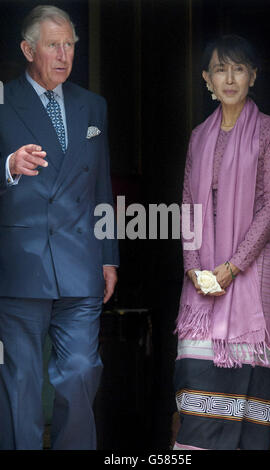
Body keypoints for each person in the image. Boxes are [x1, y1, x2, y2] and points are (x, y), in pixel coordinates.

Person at [0, 5, 119, 450]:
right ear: (28, 49)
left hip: (80, 262)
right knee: (22, 385)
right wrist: (8, 165)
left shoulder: (93, 105)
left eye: (70, 44)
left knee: (81, 372)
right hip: (20, 264)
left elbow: (101, 186)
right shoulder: (3, 99)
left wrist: (108, 257)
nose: (64, 54)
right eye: (54, 45)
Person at [174, 35, 270, 450]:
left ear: (252, 76)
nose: (229, 77)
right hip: (202, 283)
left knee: (250, 403)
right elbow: (188, 205)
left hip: (253, 280)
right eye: (220, 69)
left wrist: (233, 266)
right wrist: (193, 266)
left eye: (238, 68)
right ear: (207, 78)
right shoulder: (197, 136)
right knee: (198, 400)